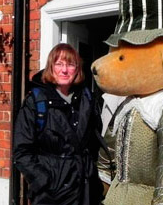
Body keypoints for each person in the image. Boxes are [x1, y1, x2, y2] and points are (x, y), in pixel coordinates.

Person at [13, 43, 104, 205]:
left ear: (77, 69)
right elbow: (21, 152)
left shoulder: (87, 98)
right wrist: (44, 181)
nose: (64, 70)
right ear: (51, 67)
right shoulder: (36, 101)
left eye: (70, 64)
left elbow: (94, 143)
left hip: (84, 189)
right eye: (59, 64)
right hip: (51, 194)